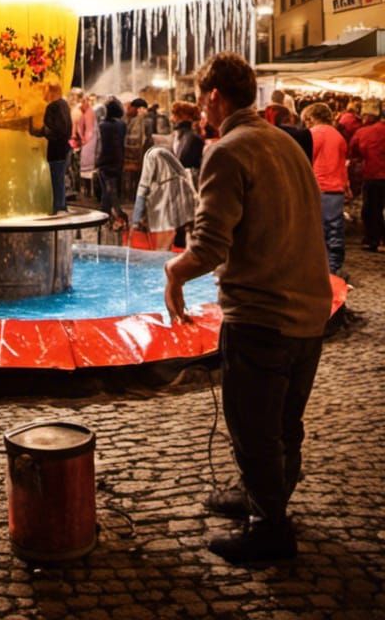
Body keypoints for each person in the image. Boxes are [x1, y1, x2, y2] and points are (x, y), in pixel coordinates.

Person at [163, 52, 332, 565]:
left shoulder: (229, 149)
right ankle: (261, 497)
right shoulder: (284, 141)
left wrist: (175, 273)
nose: (200, 112)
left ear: (215, 97)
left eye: (201, 101)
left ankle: (270, 529)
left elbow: (211, 243)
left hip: (261, 313)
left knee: (253, 426)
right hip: (308, 308)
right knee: (285, 423)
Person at [301, 102, 349, 276]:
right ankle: (333, 268)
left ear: (311, 118)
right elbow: (342, 165)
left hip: (319, 187)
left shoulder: (314, 134)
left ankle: (320, 269)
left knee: (317, 230)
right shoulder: (338, 136)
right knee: (334, 229)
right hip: (336, 188)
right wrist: (346, 185)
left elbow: (305, 160)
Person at [131, 146, 195, 249]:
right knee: (189, 233)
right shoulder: (182, 179)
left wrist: (137, 218)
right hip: (187, 213)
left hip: (171, 222)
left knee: (165, 242)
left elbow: (143, 186)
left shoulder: (152, 156)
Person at [29, 80, 72, 214]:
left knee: (56, 179)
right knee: (59, 178)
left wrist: (38, 130)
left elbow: (55, 129)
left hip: (56, 150)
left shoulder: (53, 107)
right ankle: (61, 204)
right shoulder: (64, 105)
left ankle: (58, 206)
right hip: (64, 149)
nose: (44, 94)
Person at [349, 99, 385, 251]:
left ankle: (373, 240)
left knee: (371, 209)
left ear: (368, 116)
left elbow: (353, 152)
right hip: (377, 174)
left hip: (373, 175)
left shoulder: (362, 132)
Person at [95, 97, 128, 229]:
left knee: (107, 192)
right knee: (110, 191)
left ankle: (109, 216)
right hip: (117, 160)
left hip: (105, 161)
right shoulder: (122, 125)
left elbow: (99, 145)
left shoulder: (102, 126)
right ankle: (107, 217)